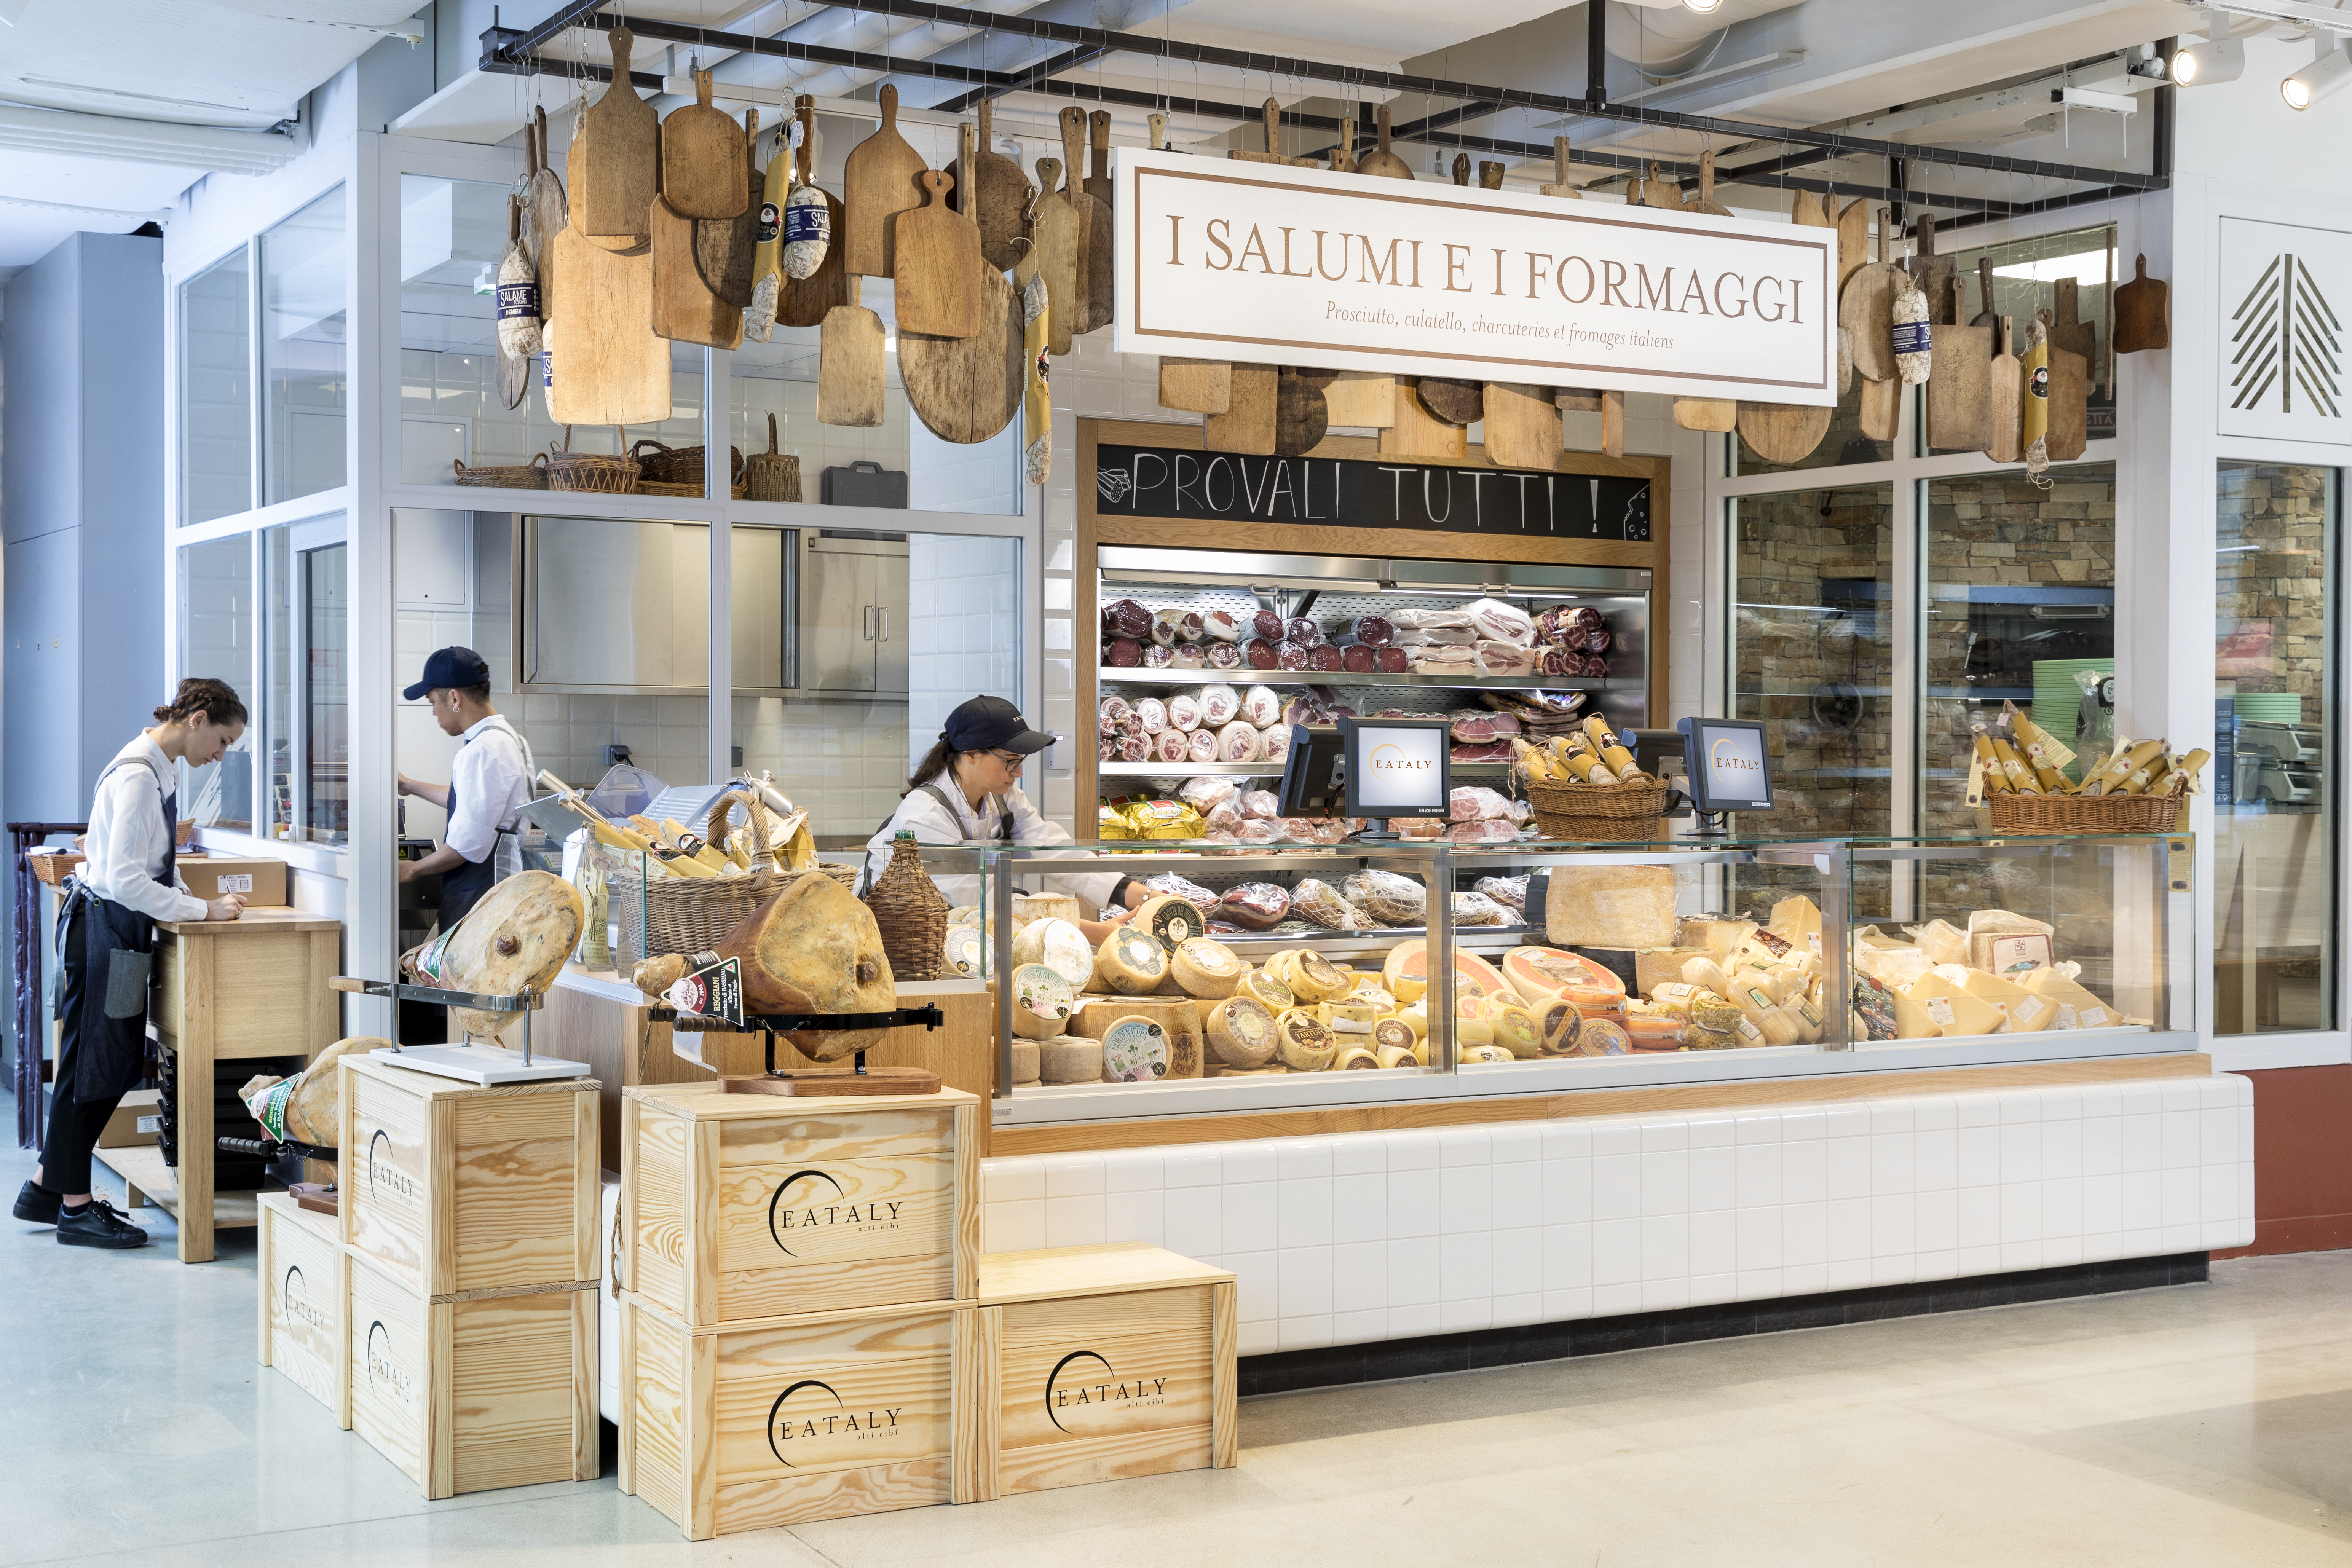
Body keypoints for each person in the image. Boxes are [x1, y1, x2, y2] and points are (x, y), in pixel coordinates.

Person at [13, 678, 249, 1249]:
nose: (219, 755)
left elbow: (139, 857)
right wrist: (201, 910)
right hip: (105, 931)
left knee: (108, 1063)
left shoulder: (158, 765)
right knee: (93, 1066)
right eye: (221, 740)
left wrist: (193, 898)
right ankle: (74, 1206)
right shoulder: (141, 774)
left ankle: (47, 1187)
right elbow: (122, 877)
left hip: (116, 929)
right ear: (196, 718)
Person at [865, 695, 1145, 942]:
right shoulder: (924, 818)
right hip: (900, 938)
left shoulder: (1003, 797)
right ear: (971, 754)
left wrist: (1140, 896)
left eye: (1020, 760)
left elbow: (1052, 849)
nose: (1019, 772)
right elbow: (978, 903)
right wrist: (1091, 932)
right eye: (1010, 760)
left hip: (967, 927)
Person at [396, 647, 536, 932]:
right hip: (500, 897)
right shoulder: (510, 739)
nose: (434, 712)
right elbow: (474, 807)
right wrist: (408, 786)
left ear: (454, 698)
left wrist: (412, 869)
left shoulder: (482, 751)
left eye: (432, 702)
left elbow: (464, 847)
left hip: (481, 905)